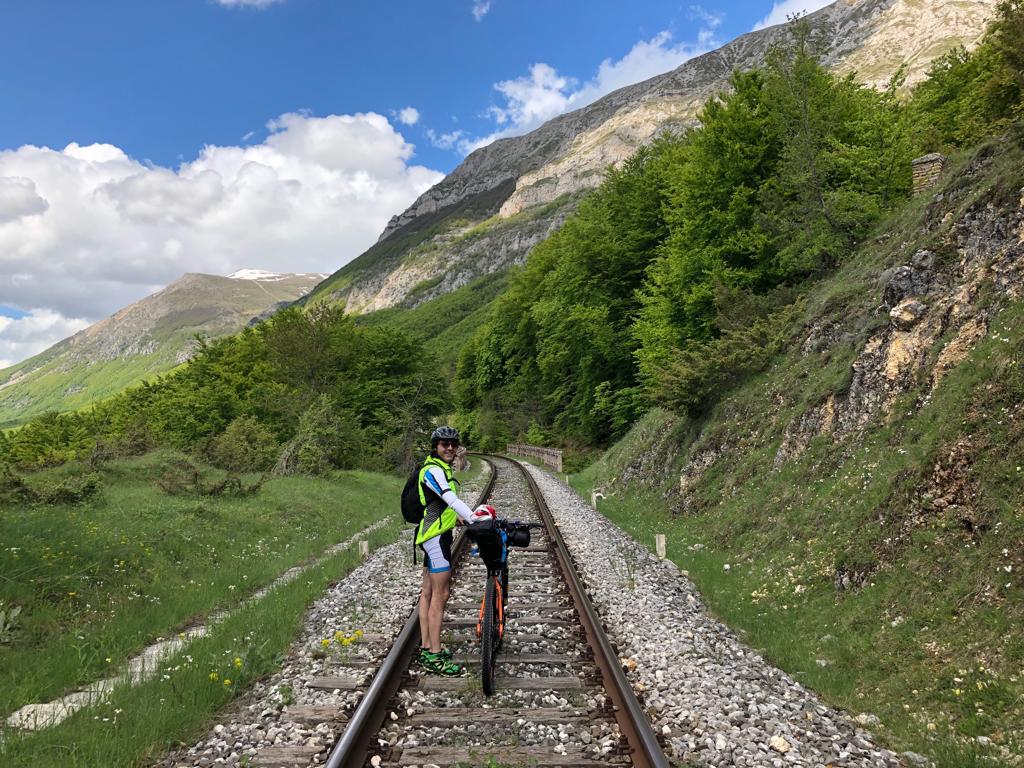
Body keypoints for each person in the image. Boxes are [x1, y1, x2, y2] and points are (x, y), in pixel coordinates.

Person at [414, 425, 478, 675]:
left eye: (453, 444)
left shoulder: (440, 468)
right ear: (436, 447)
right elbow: (449, 498)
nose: (450, 448)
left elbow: (441, 507)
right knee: (440, 595)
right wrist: (474, 518)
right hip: (435, 539)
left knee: (427, 593)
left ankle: (428, 647)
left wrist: (460, 519)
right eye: (444, 444)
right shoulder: (432, 470)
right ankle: (435, 656)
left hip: (432, 535)